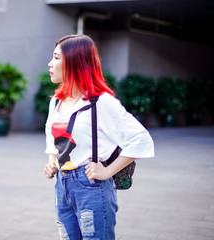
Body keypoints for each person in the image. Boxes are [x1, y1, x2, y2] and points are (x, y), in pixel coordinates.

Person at [43, 34, 154, 239]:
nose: (50, 63)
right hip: (62, 184)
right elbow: (52, 137)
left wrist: (107, 171)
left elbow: (140, 139)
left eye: (57, 58)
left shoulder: (100, 102)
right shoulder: (56, 102)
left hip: (90, 187)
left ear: (75, 62)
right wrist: (52, 162)